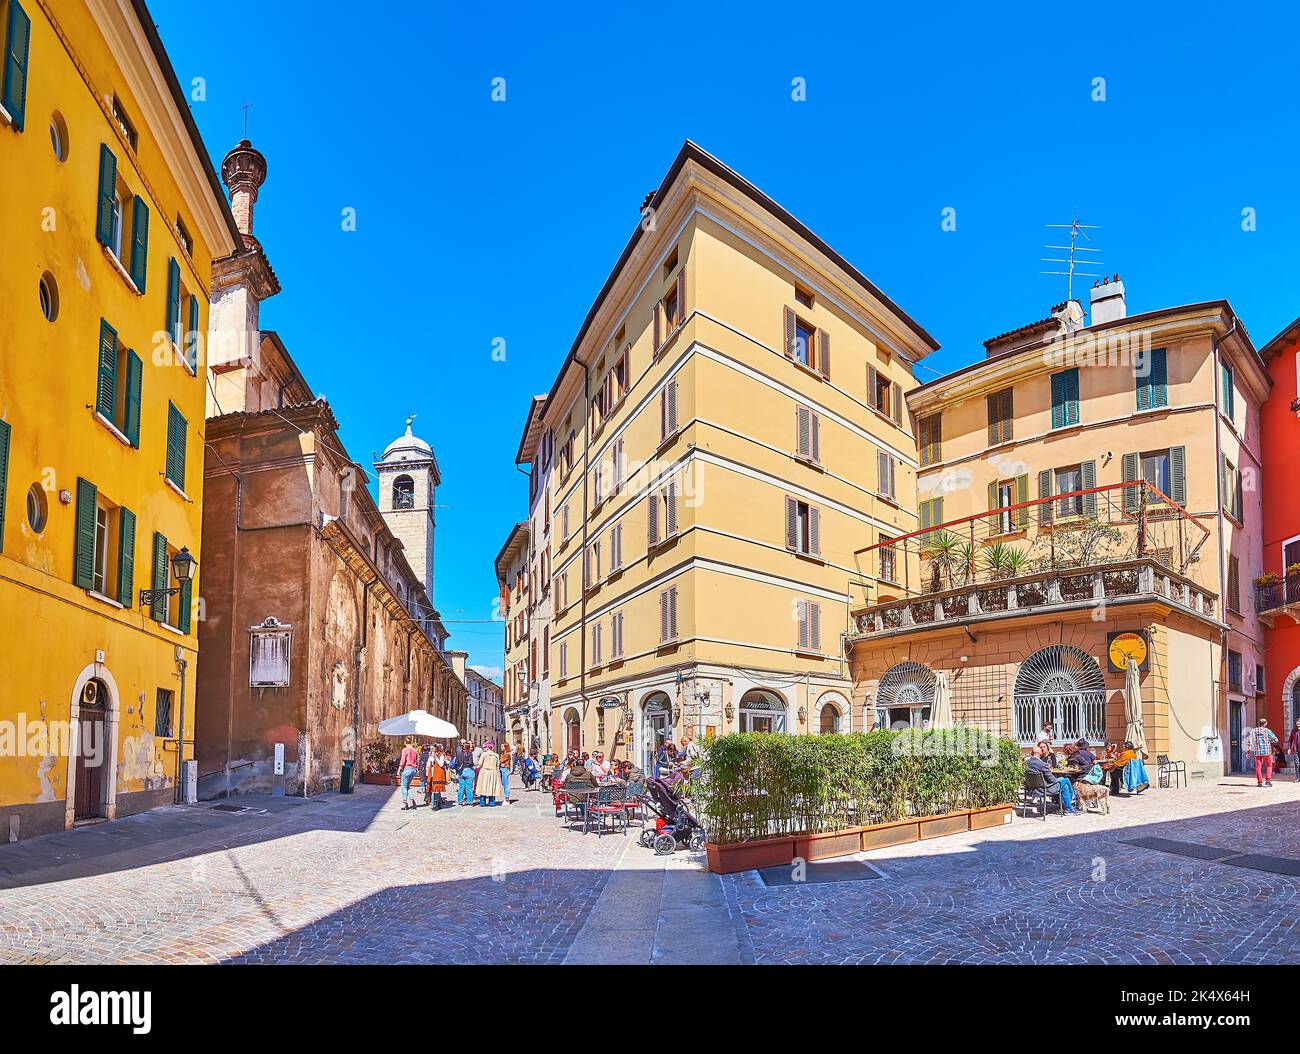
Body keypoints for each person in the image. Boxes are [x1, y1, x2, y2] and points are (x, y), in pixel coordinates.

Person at [1027, 741, 1079, 814]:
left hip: (1032, 789)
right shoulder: (1042, 764)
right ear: (1039, 753)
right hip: (1044, 789)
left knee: (1064, 784)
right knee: (1065, 781)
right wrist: (1059, 779)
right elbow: (1052, 780)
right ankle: (1071, 800)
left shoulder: (1026, 763)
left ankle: (1068, 807)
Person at [1244, 717, 1280, 788]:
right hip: (1267, 751)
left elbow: (1249, 741)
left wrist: (1248, 751)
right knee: (1269, 766)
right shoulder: (1268, 731)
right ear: (1265, 724)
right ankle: (1268, 781)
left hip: (1258, 751)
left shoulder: (1254, 731)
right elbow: (1276, 740)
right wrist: (1269, 741)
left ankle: (1260, 782)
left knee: (1258, 767)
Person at [475, 741, 504, 806]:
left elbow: (479, 764)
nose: (484, 748)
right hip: (493, 772)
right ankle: (492, 802)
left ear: (487, 747)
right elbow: (497, 765)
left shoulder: (484, 754)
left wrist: (475, 768)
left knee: (483, 787)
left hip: (484, 772)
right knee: (492, 786)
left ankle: (482, 802)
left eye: (484, 747)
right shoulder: (496, 755)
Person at [397, 737, 420, 811]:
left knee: (403, 786)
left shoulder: (405, 750)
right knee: (408, 786)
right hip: (413, 770)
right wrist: (417, 768)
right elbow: (418, 760)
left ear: (405, 742)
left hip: (406, 769)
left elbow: (403, 760)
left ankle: (405, 803)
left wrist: (399, 769)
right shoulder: (415, 750)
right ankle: (412, 799)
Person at [453, 740, 476, 806]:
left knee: (461, 787)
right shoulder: (470, 753)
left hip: (461, 771)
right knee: (469, 788)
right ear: (468, 748)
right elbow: (471, 763)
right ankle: (470, 801)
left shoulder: (458, 754)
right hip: (469, 770)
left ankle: (460, 800)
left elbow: (456, 763)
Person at [426, 746, 450, 811]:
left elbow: (441, 764)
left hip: (439, 773)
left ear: (436, 749)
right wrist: (430, 759)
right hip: (432, 773)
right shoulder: (431, 756)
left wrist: (436, 757)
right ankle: (439, 804)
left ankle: (436, 805)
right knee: (435, 788)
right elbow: (429, 764)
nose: (431, 750)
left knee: (437, 788)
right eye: (431, 749)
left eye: (432, 748)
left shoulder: (441, 755)